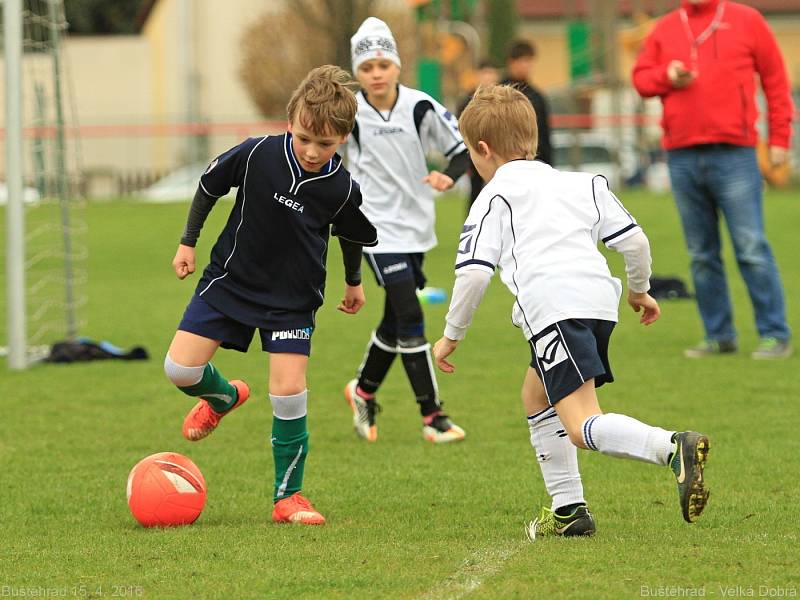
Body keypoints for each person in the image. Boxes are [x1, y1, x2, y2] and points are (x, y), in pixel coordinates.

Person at [432, 85, 711, 538]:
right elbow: (635, 241)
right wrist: (639, 291)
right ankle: (569, 512)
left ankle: (671, 447)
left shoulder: (493, 196)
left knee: (581, 423)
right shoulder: (581, 182)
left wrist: (452, 334)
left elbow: (474, 274)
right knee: (536, 395)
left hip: (554, 309)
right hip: (598, 302)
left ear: (481, 149)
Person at [164, 65, 378, 526]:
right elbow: (208, 186)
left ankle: (288, 498)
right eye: (304, 139)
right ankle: (224, 397)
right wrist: (188, 241)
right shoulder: (257, 153)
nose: (313, 151)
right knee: (179, 369)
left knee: (288, 393)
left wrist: (354, 281)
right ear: (290, 123)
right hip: (230, 280)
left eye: (326, 144)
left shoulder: (341, 188)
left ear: (343, 138)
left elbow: (352, 234)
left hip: (292, 300)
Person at [632, 0, 793, 359]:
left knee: (751, 247)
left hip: (735, 151)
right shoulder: (665, 28)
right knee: (701, 253)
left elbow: (776, 81)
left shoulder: (747, 20)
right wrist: (667, 76)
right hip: (682, 154)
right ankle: (719, 335)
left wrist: (780, 138)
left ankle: (774, 333)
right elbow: (641, 79)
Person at [343, 17, 471, 444]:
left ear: (396, 65)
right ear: (357, 73)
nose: (375, 74)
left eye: (382, 64)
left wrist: (448, 177)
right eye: (366, 68)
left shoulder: (421, 106)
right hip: (373, 228)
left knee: (395, 319)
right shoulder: (347, 112)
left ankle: (362, 390)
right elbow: (320, 156)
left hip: (417, 227)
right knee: (411, 316)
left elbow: (461, 153)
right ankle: (432, 416)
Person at [457, 59, 501, 211]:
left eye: (492, 73)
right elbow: (460, 132)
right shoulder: (467, 102)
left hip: (498, 156)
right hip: (475, 155)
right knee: (476, 194)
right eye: (485, 73)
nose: (489, 77)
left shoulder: (503, 101)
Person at [500, 40, 552, 167]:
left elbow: (544, 136)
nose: (528, 66)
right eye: (524, 61)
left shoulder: (537, 97)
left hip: (533, 162)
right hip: (503, 161)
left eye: (530, 61)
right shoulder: (497, 93)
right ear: (511, 62)